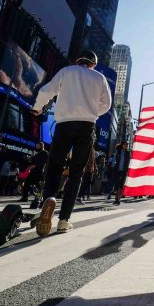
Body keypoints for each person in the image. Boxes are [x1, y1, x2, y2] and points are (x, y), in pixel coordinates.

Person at [32, 50, 112, 235]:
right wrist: (92, 112)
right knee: (77, 173)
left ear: (78, 60)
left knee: (55, 166)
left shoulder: (67, 71)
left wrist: (37, 108)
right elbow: (106, 104)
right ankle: (63, 220)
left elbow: (46, 91)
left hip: (64, 125)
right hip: (86, 127)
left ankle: (49, 199)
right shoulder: (99, 77)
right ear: (93, 63)